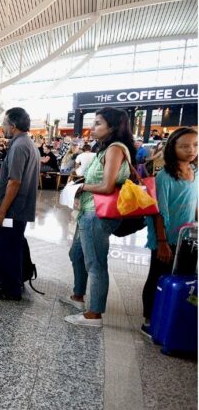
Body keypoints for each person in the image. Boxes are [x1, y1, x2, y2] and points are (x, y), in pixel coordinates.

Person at [61, 107, 135, 327]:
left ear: (112, 127)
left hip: (97, 214)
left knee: (95, 262)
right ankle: (78, 296)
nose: (92, 128)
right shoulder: (104, 149)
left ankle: (94, 314)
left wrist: (82, 187)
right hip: (88, 211)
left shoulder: (114, 149)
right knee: (76, 254)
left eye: (98, 123)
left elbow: (106, 186)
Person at [141, 127, 197, 336]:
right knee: (157, 277)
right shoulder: (164, 177)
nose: (191, 150)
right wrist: (163, 242)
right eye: (184, 146)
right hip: (165, 237)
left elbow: (195, 204)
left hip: (188, 238)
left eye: (195, 145)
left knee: (183, 278)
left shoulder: (196, 173)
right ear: (173, 148)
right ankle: (149, 320)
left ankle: (171, 318)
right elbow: (159, 211)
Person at [0, 107, 40, 301]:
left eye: (4, 124)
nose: (2, 128)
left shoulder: (19, 146)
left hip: (13, 209)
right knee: (12, 245)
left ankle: (11, 289)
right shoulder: (28, 143)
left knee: (8, 247)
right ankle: (11, 281)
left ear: (13, 125)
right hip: (19, 207)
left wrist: (1, 212)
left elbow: (14, 181)